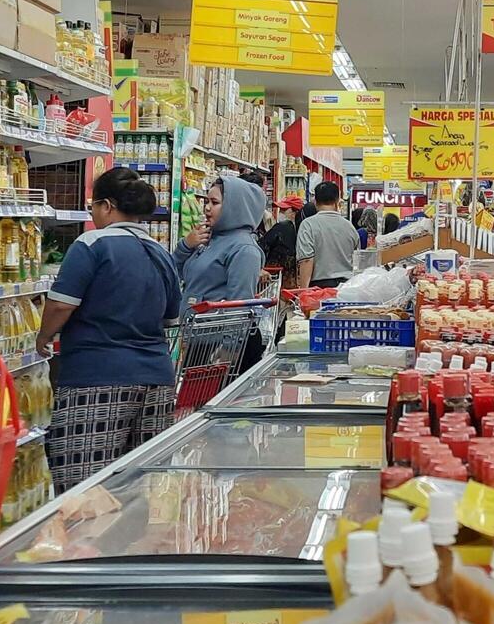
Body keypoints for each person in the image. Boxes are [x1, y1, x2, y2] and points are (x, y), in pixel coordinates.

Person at [36, 168, 184, 489]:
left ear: (106, 206)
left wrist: (44, 336)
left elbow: (62, 304)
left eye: (92, 206)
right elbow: (171, 318)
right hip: (157, 379)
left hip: (97, 378)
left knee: (84, 490)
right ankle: (129, 539)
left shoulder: (91, 244)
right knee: (139, 488)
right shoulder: (160, 252)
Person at [175, 175, 265, 311]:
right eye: (207, 202)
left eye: (214, 203)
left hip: (210, 330)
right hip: (191, 328)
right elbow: (173, 274)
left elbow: (238, 310)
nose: (207, 208)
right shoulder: (208, 239)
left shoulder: (245, 250)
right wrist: (185, 246)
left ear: (234, 207)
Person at [295, 180, 359, 289]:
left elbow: (307, 260)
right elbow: (357, 259)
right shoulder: (350, 227)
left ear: (315, 201)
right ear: (338, 201)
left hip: (319, 288)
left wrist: (304, 291)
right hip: (346, 287)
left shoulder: (308, 225)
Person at [261, 195, 303, 285]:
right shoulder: (301, 229)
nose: (281, 213)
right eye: (281, 210)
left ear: (294, 212)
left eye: (284, 210)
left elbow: (264, 244)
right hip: (291, 277)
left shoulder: (283, 226)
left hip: (275, 275)